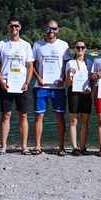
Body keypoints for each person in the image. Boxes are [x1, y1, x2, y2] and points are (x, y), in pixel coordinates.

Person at [0, 18, 35, 155]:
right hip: (6, 84)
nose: (14, 28)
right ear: (8, 27)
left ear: (20, 27)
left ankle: (24, 146)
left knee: (23, 115)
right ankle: (3, 146)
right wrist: (1, 81)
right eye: (11, 26)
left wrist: (27, 82)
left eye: (16, 26)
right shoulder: (1, 45)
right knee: (6, 115)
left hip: (22, 85)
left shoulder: (26, 45)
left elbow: (30, 66)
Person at [32, 20, 71, 156]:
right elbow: (32, 65)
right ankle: (37, 146)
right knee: (38, 116)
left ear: (57, 30)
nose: (51, 31)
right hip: (41, 86)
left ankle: (61, 147)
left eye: (54, 29)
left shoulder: (63, 45)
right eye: (49, 28)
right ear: (45, 29)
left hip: (58, 87)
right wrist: (37, 78)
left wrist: (63, 78)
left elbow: (68, 65)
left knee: (59, 116)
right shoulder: (37, 44)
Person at [65, 40, 93, 156]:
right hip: (74, 93)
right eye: (77, 47)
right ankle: (74, 148)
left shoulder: (90, 62)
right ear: (74, 49)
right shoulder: (70, 63)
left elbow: (92, 79)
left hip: (86, 93)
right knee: (73, 121)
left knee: (85, 121)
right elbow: (67, 83)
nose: (80, 49)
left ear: (85, 49)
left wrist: (91, 87)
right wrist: (68, 73)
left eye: (82, 47)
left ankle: (83, 147)